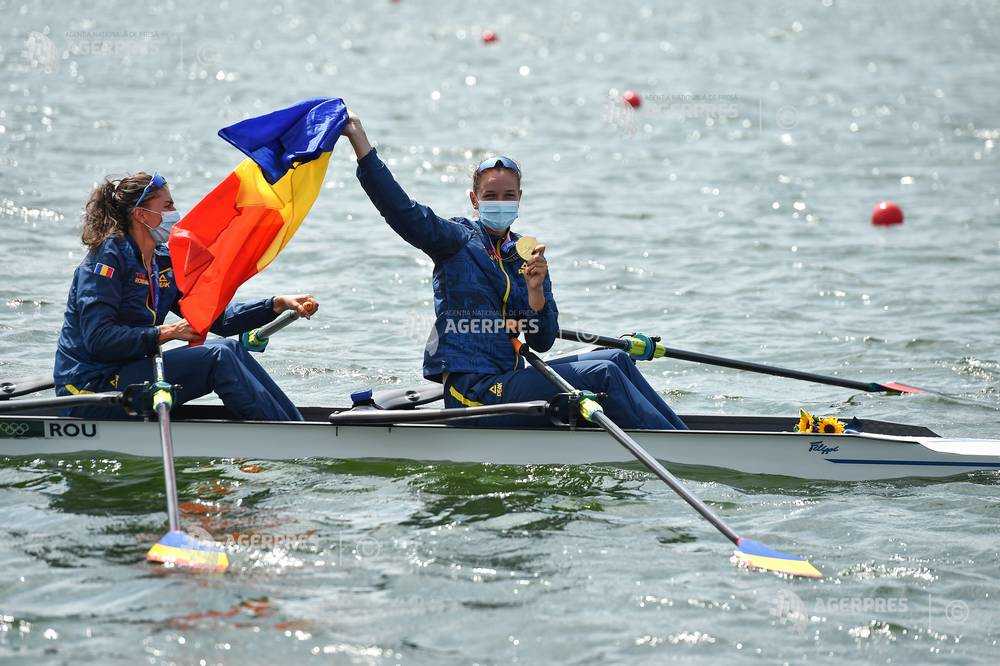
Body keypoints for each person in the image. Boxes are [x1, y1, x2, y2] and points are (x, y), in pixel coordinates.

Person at [343, 111, 686, 430]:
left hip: (507, 381)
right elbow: (401, 210)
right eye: (490, 195)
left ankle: (687, 435)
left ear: (520, 198)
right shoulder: (454, 241)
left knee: (617, 359)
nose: (500, 202)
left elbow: (543, 340)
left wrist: (536, 293)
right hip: (473, 395)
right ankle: (680, 448)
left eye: (508, 195)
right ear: (474, 200)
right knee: (604, 372)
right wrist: (361, 144)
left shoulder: (528, 255)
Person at [54, 171, 317, 421]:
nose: (174, 214)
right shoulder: (106, 260)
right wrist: (165, 333)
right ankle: (280, 437)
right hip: (91, 389)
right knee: (218, 358)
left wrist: (275, 304)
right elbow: (99, 339)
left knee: (231, 348)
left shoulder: (162, 262)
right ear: (140, 215)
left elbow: (217, 319)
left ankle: (295, 426)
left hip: (128, 374)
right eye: (167, 206)